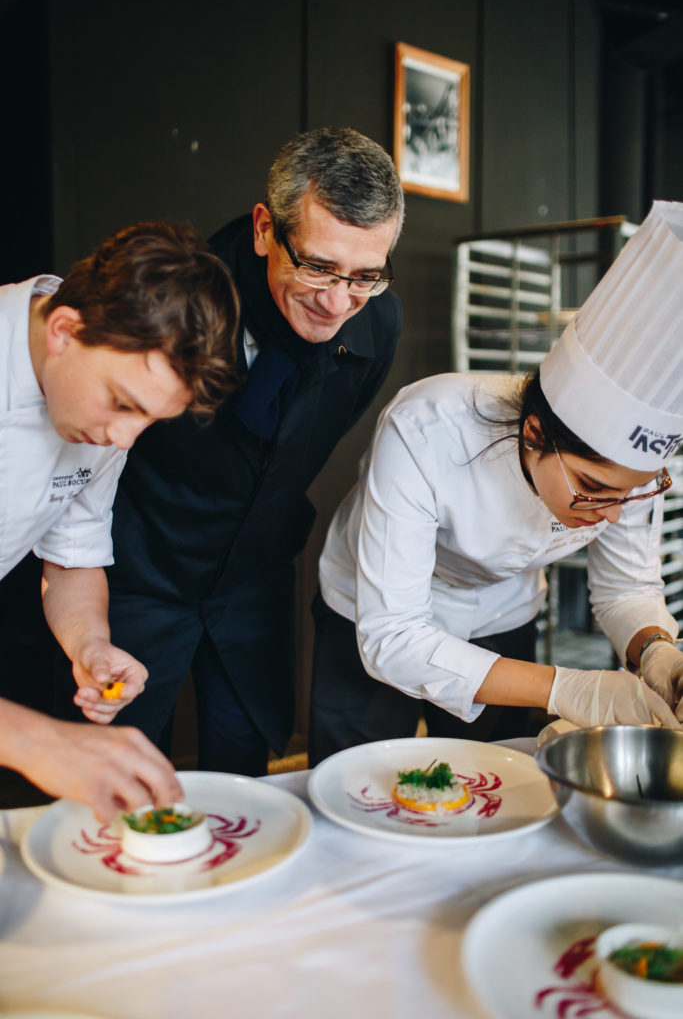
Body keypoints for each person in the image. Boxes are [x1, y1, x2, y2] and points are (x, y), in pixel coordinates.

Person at [309, 199, 683, 764]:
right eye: (591, 488)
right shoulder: (426, 427)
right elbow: (394, 637)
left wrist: (657, 652)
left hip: (501, 615)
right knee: (359, 778)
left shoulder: (624, 477)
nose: (610, 513)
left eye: (630, 495)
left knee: (498, 785)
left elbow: (627, 588)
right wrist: (567, 688)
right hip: (372, 611)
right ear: (534, 434)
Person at [94, 127, 404, 776]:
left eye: (365, 276)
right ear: (265, 228)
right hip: (139, 570)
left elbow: (300, 451)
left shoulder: (376, 322)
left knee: (243, 766)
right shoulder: (179, 301)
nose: (336, 301)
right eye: (317, 265)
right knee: (111, 764)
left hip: (254, 578)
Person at [0, 219, 240, 818]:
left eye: (150, 421)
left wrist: (91, 645)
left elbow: (72, 556)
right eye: (123, 404)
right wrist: (38, 741)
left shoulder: (96, 412)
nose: (125, 440)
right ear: (64, 331)